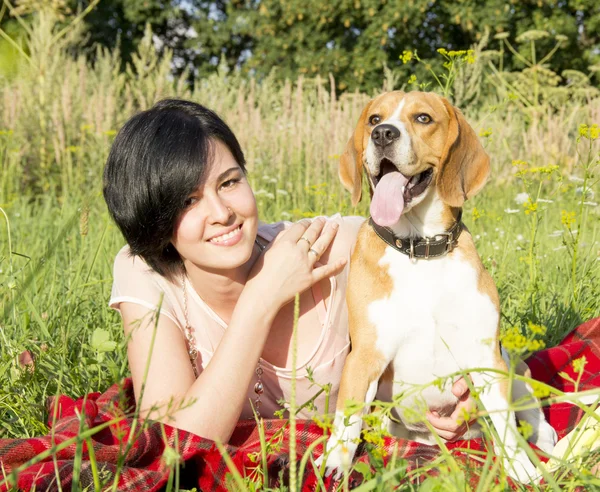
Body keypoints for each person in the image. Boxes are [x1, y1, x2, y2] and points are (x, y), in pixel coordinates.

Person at [103, 99, 475, 444]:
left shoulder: (341, 245)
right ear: (152, 219)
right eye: (188, 200)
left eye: (229, 182)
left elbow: (471, 327)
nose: (221, 213)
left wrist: (462, 396)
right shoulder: (145, 273)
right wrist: (262, 296)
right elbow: (174, 443)